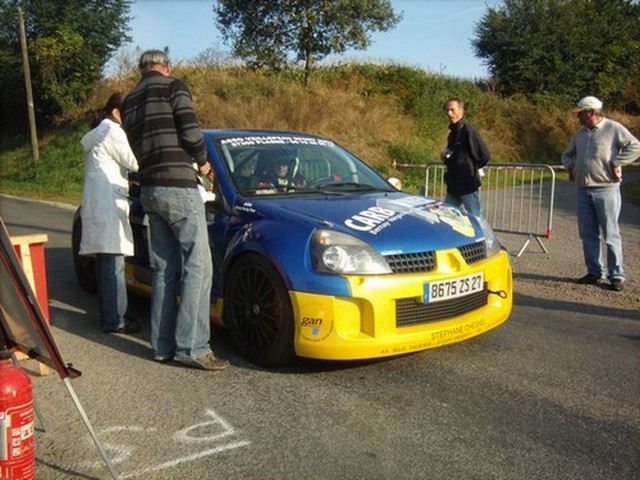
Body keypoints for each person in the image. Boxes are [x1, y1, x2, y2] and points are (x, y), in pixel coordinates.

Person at [120, 49, 229, 370]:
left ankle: (162, 347)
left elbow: (137, 146)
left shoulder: (128, 102)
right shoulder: (172, 86)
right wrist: (204, 161)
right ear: (166, 67)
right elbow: (191, 131)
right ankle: (193, 347)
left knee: (165, 270)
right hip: (179, 187)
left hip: (150, 190)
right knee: (199, 267)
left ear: (142, 70)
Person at [561, 96, 640, 292]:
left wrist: (617, 162)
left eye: (580, 113)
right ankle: (594, 271)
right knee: (588, 233)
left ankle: (616, 275)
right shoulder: (580, 134)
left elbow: (635, 146)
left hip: (606, 188)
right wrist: (571, 166)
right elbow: (566, 154)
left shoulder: (613, 128)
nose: (578, 117)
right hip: (583, 189)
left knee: (611, 234)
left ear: (591, 112)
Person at [79, 92, 141, 334]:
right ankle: (115, 320)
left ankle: (113, 315)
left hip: (98, 204)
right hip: (107, 205)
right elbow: (134, 162)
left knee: (107, 263)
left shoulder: (99, 132)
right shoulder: (113, 131)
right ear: (117, 112)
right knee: (113, 264)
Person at [440, 97, 490, 217]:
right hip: (454, 185)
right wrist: (446, 157)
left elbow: (484, 155)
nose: (449, 113)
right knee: (447, 217)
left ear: (461, 111)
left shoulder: (469, 131)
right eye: (447, 110)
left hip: (467, 185)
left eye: (452, 110)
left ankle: (483, 236)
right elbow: (454, 154)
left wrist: (471, 168)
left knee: (475, 218)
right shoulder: (453, 133)